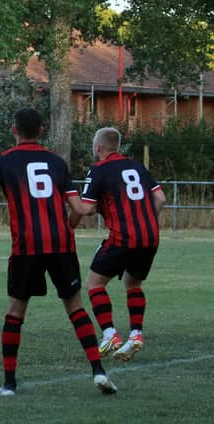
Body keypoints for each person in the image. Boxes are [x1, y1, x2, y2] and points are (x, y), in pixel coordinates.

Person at [0, 107, 117, 396]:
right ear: (41, 131)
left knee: (15, 312)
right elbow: (77, 208)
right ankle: (98, 371)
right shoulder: (57, 163)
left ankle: (9, 384)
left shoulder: (4, 161)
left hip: (27, 247)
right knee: (75, 308)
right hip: (61, 244)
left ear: (14, 130)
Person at [70, 127, 166, 361]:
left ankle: (110, 333)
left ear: (99, 148)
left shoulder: (99, 169)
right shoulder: (137, 166)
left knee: (95, 284)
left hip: (123, 236)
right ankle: (135, 334)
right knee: (133, 284)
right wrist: (147, 220)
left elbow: (87, 207)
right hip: (150, 235)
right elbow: (161, 197)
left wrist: (69, 221)